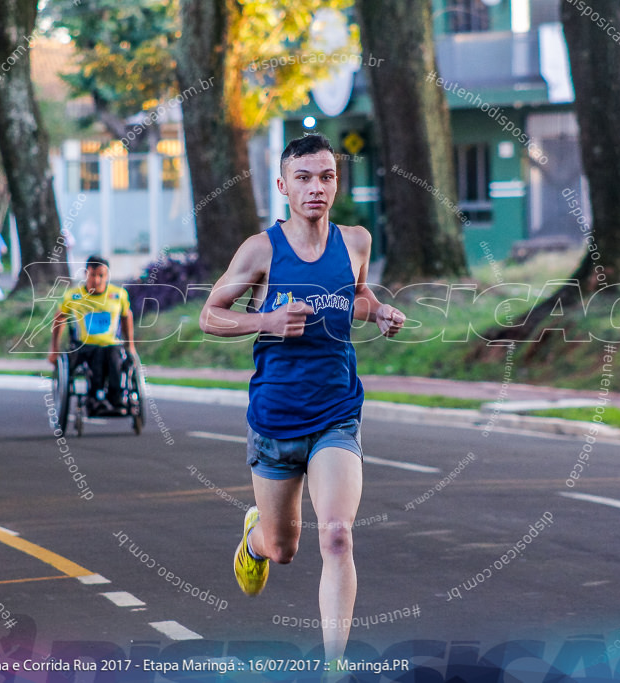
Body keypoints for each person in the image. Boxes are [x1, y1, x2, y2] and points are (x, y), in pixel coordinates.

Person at [199, 134, 405, 664]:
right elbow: (209, 315)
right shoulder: (261, 250)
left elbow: (354, 295)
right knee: (284, 549)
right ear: (283, 185)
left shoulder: (355, 242)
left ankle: (334, 665)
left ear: (337, 182)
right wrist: (264, 320)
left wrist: (377, 311)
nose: (316, 187)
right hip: (275, 417)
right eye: (305, 178)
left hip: (337, 411)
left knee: (337, 536)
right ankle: (254, 541)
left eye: (326, 176)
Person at [48, 255, 136, 416]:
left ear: (107, 276)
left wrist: (130, 344)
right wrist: (54, 349)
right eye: (92, 275)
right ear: (86, 274)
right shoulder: (74, 296)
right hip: (84, 346)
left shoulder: (118, 295)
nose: (96, 280)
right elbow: (59, 318)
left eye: (101, 275)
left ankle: (116, 398)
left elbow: (126, 317)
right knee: (96, 356)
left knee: (116, 358)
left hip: (111, 344)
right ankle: (95, 399)